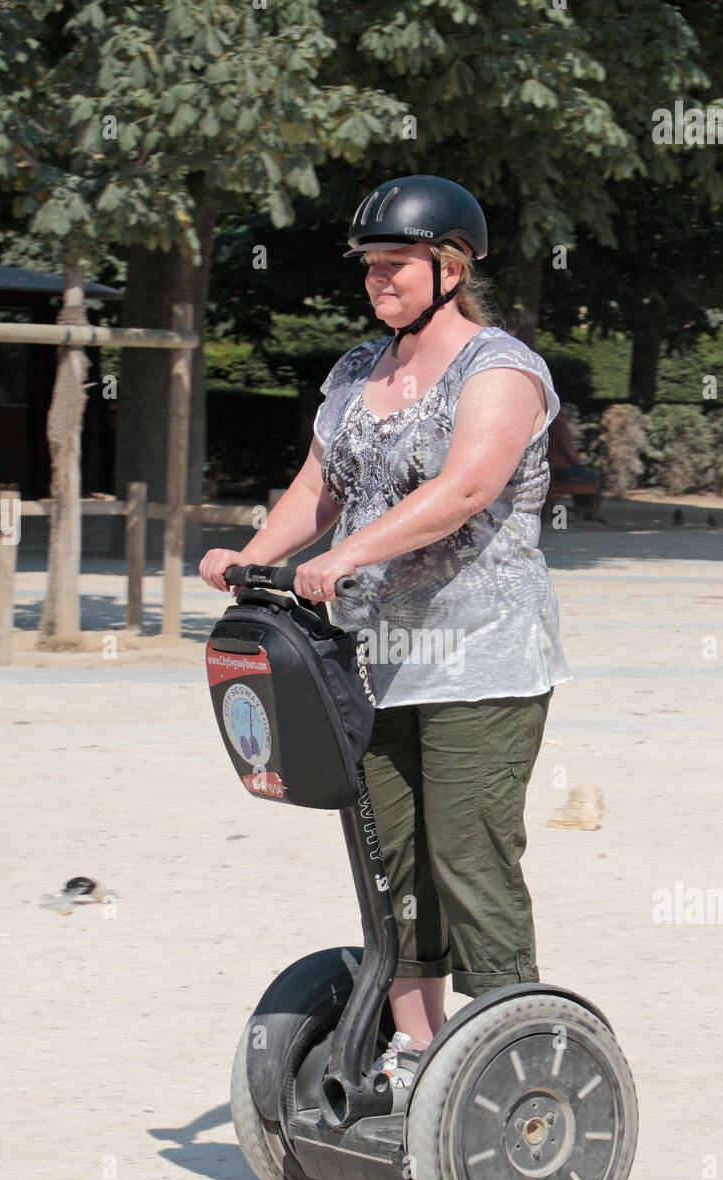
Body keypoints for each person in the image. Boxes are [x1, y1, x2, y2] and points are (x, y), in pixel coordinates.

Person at [199, 174, 571, 1085]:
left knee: (467, 855)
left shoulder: (502, 369)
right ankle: (414, 1050)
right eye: (369, 266)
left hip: (481, 660)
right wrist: (249, 556)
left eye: (395, 265)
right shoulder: (359, 371)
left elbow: (467, 489)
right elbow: (317, 487)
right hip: (370, 662)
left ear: (450, 266)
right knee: (391, 861)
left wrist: (352, 556)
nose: (378, 281)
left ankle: (511, 1059)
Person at [544, 415, 604, 522]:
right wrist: (576, 463)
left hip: (549, 469)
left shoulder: (546, 426)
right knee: (596, 479)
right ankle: (589, 514)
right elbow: (569, 451)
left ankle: (581, 510)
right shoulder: (559, 427)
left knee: (579, 477)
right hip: (562, 468)